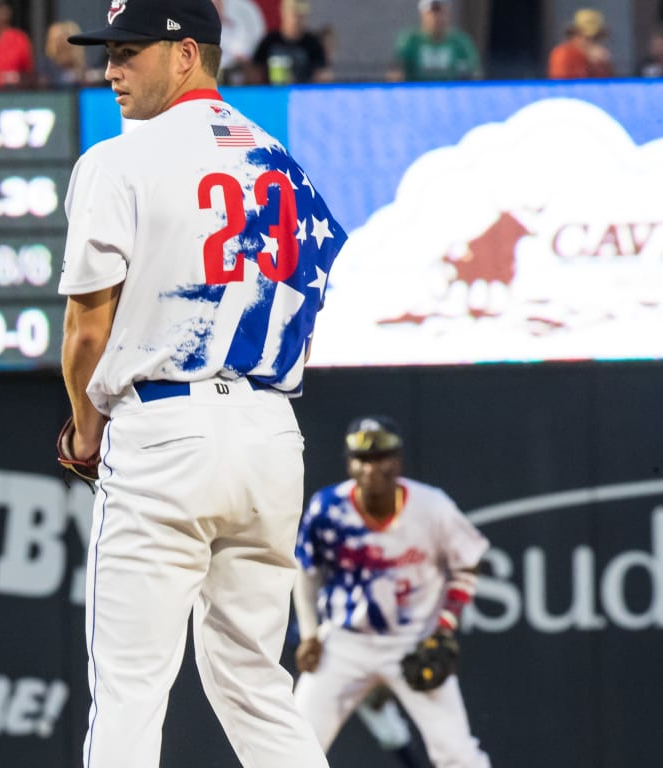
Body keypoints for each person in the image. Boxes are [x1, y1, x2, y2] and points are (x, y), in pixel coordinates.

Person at [56, 1, 346, 765]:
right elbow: (309, 314)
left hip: (164, 429)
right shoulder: (284, 163)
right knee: (256, 682)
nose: (110, 68)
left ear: (185, 54)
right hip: (271, 432)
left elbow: (87, 330)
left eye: (129, 51)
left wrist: (86, 432)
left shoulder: (119, 159)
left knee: (128, 690)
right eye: (109, 52)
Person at [292, 416, 491, 767]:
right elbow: (305, 571)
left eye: (381, 457)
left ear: (397, 460)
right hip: (344, 642)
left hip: (414, 640)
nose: (371, 468)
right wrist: (310, 633)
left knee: (458, 754)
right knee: (293, 747)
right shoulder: (328, 508)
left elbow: (468, 562)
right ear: (349, 463)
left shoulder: (431, 507)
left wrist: (444, 626)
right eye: (362, 459)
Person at [388, 0, 480, 81]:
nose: (437, 18)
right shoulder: (410, 41)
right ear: (423, 15)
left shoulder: (460, 42)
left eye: (441, 12)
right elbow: (396, 70)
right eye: (432, 12)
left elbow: (474, 72)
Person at [252, 0, 330, 84]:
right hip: (273, 94)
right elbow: (256, 71)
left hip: (302, 93)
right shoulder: (269, 41)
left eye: (300, 15)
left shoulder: (313, 43)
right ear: (283, 12)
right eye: (293, 13)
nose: (296, 19)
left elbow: (322, 72)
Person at [548, 8, 614, 79]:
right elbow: (564, 84)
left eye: (596, 38)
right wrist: (589, 63)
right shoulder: (563, 54)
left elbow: (607, 84)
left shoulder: (601, 58)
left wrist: (602, 65)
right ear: (575, 34)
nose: (593, 43)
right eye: (588, 38)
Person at [213, 0, 265, 84]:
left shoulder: (236, 27)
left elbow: (245, 52)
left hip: (240, 72)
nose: (215, 8)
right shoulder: (204, 32)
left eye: (218, 3)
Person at [39, 21, 96, 86]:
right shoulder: (45, 66)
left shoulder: (85, 65)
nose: (64, 54)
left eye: (67, 48)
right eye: (60, 49)